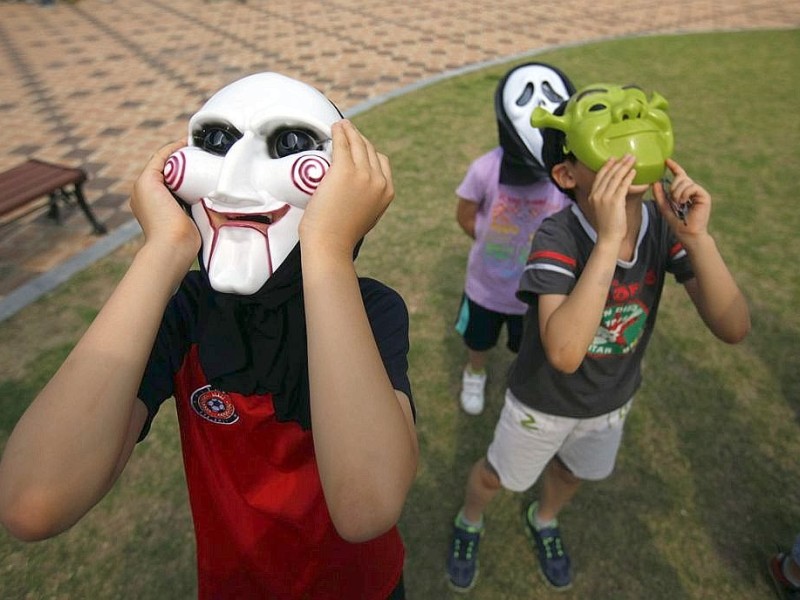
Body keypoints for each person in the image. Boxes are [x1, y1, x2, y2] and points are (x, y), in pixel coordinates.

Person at [0, 73, 418, 600]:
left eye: (289, 145)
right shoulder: (185, 315)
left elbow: (367, 506)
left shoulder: (370, 311)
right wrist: (163, 250)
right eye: (217, 143)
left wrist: (330, 249)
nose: (234, 179)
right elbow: (33, 502)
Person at [446, 82, 750, 592]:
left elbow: (733, 327)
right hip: (541, 404)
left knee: (572, 474)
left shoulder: (663, 227)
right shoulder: (558, 236)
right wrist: (608, 240)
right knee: (497, 476)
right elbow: (564, 353)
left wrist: (697, 238)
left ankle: (544, 519)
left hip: (610, 402)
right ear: (567, 174)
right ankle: (469, 519)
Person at [455, 62, 575, 415]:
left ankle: (518, 383)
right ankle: (474, 372)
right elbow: (465, 214)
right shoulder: (485, 169)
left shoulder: (565, 176)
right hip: (485, 287)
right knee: (478, 339)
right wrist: (492, 244)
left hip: (536, 294)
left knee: (527, 347)